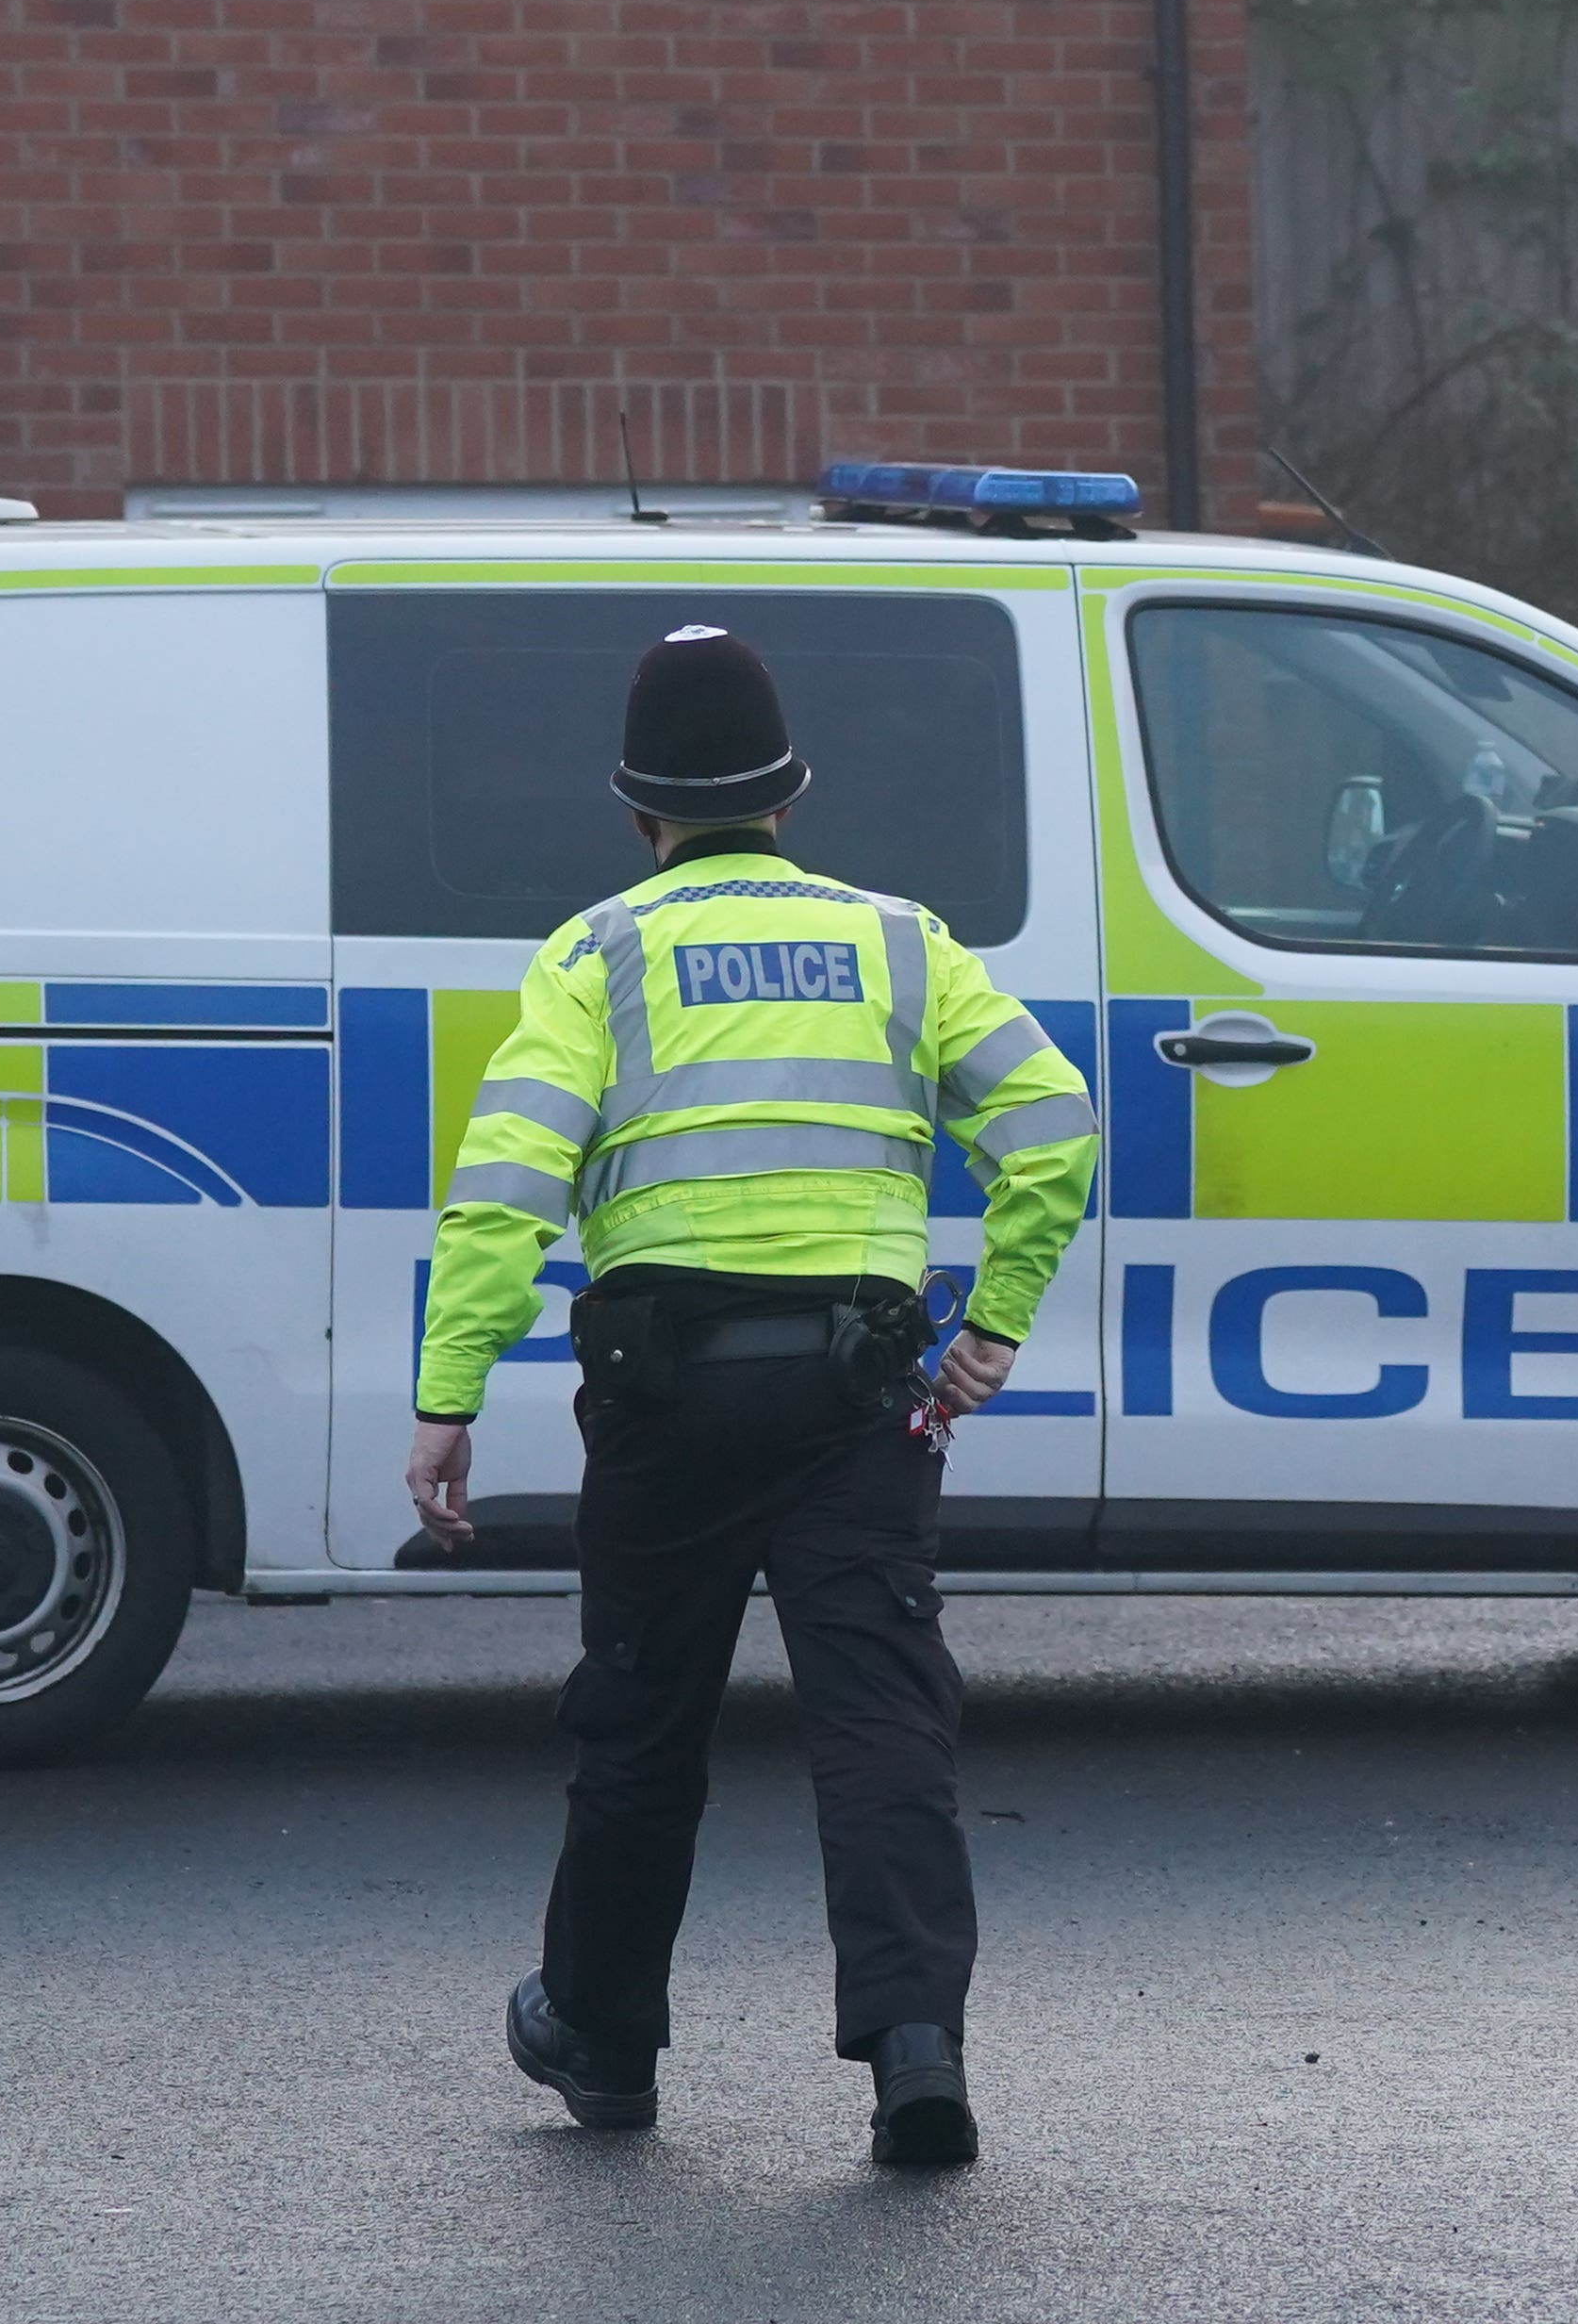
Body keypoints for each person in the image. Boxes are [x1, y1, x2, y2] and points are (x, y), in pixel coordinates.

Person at [408, 620, 1093, 2169]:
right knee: (880, 1724)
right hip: (863, 1400)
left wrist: (448, 1395)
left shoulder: (598, 954)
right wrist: (989, 1331)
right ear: (791, 793)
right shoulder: (906, 943)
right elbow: (1055, 1130)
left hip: (665, 1409)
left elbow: (504, 1192)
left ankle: (602, 2041)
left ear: (634, 807)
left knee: (641, 1730)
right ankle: (917, 2049)